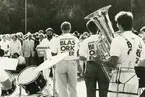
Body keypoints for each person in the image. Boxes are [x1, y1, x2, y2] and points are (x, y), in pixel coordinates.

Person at [101, 11, 145, 97]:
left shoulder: (118, 39)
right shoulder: (140, 40)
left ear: (119, 25)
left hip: (120, 78)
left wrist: (101, 61)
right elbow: (142, 61)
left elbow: (113, 63)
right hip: (134, 77)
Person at [79, 20, 109, 97]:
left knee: (90, 92)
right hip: (103, 66)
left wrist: (89, 57)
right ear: (98, 28)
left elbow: (81, 57)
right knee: (104, 91)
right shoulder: (104, 39)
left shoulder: (85, 41)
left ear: (88, 29)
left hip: (90, 66)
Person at [51, 21, 79, 97]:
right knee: (73, 86)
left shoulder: (57, 39)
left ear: (61, 29)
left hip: (61, 62)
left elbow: (53, 53)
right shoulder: (75, 39)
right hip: (72, 62)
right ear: (70, 29)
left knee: (62, 87)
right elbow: (77, 51)